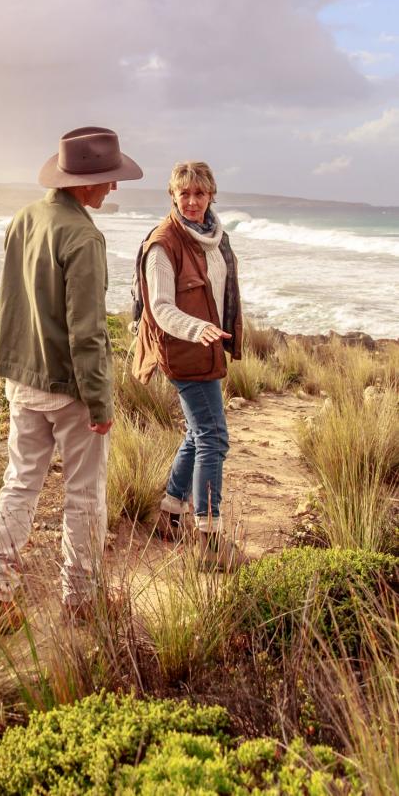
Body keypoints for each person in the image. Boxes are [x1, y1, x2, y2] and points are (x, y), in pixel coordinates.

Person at [0, 127, 143, 621]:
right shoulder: (84, 236)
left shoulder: (24, 218)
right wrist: (100, 401)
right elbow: (87, 332)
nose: (112, 188)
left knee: (20, 482)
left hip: (21, 378)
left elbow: (10, 299)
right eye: (107, 179)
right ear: (83, 182)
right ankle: (81, 598)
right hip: (68, 386)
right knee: (84, 492)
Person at [132, 161, 246, 569]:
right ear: (173, 197)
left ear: (212, 194)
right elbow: (160, 307)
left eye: (200, 193)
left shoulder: (214, 237)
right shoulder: (164, 243)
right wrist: (197, 329)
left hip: (207, 346)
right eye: (185, 194)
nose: (193, 201)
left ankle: (169, 511)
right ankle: (209, 539)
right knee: (215, 437)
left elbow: (221, 288)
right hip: (183, 349)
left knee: (200, 434)